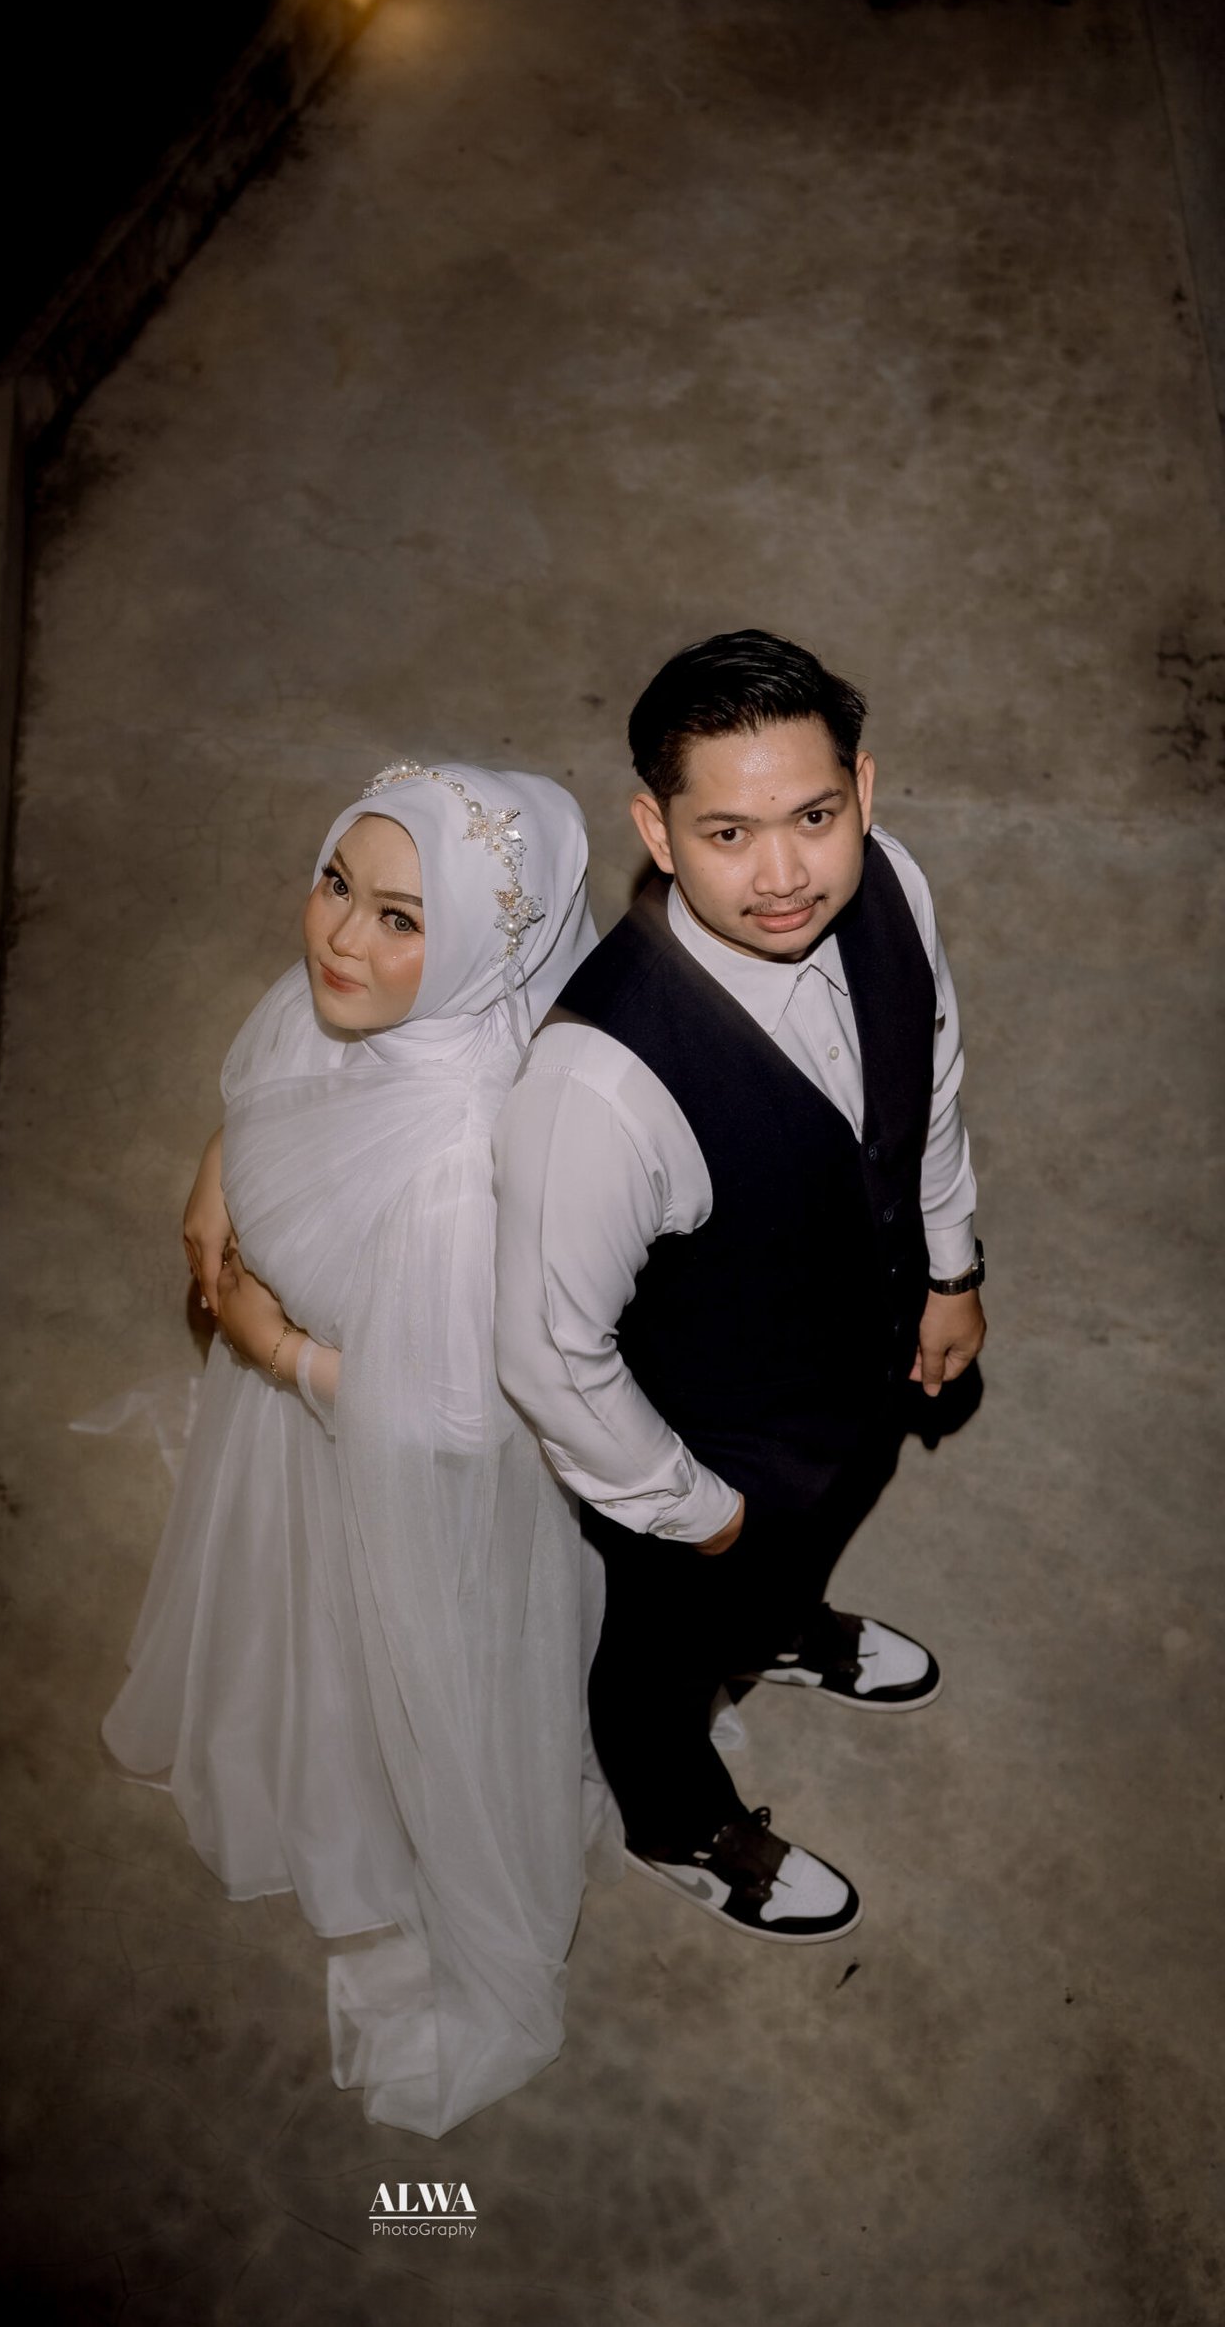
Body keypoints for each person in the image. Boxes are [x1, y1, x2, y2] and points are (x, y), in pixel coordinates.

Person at [103, 760, 611, 2135]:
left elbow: (450, 1423)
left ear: (484, 945)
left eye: (402, 919)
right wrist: (221, 1171)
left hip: (397, 1481)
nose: (338, 938)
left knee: (375, 1672)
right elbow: (282, 1080)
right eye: (338, 883)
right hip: (310, 1418)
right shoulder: (368, 1000)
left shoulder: (462, 1167)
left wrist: (269, 1346)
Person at [493, 630, 985, 1944]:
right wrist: (694, 1511)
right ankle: (675, 1820)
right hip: (708, 1434)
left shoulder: (893, 885)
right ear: (656, 831)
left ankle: (775, 1628)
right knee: (660, 1656)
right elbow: (549, 1352)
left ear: (862, 790)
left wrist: (950, 1268)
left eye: (813, 817)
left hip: (867, 1353)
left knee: (825, 1514)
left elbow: (927, 1087)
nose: (783, 876)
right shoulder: (598, 1086)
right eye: (727, 833)